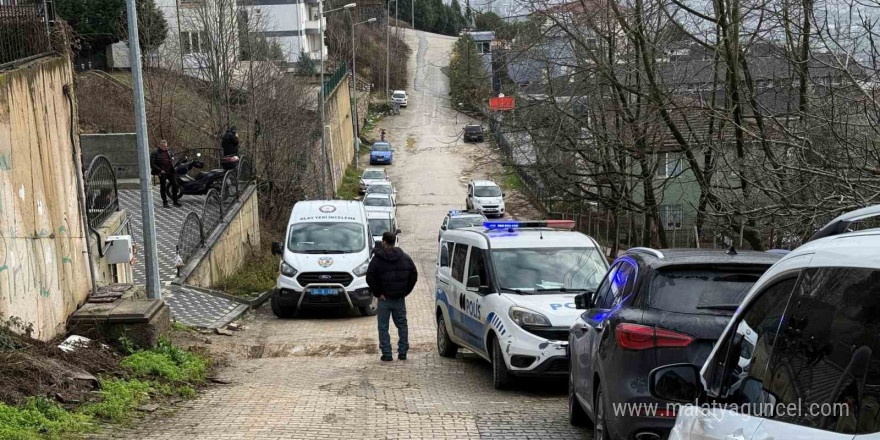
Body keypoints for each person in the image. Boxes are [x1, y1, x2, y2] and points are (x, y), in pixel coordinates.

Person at [366, 231, 418, 362]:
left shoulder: (377, 259)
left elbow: (369, 277)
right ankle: (402, 353)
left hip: (384, 299)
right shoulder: (405, 257)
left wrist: (378, 293)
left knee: (383, 327)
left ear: (383, 242)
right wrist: (405, 291)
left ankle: (387, 354)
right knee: (402, 325)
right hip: (399, 299)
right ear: (394, 242)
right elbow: (414, 274)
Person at [149, 140, 181, 208]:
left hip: (170, 171)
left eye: (166, 146)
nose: (165, 147)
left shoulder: (168, 151)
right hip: (162, 172)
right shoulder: (155, 153)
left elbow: (172, 157)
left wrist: (172, 158)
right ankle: (165, 202)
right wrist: (160, 170)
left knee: (175, 185)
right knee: (163, 187)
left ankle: (175, 201)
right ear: (160, 146)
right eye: (164, 146)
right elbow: (152, 164)